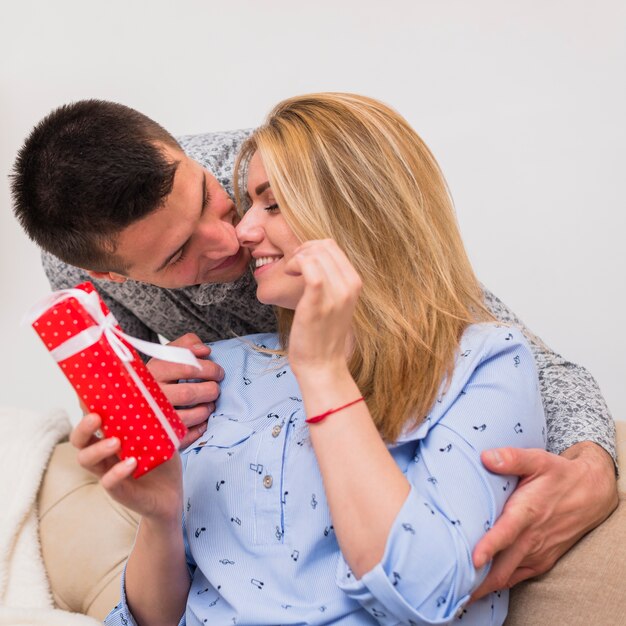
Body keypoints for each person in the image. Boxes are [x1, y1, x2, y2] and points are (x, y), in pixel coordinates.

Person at [10, 99, 618, 598]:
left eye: (206, 198)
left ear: (184, 155)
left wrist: (594, 466)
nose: (231, 238)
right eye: (177, 256)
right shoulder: (80, 280)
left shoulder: (269, 166)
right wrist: (148, 406)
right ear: (114, 276)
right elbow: (153, 439)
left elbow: (471, 330)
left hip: (366, 445)